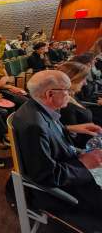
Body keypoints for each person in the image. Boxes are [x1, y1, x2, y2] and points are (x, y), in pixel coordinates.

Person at [12, 70, 102, 232]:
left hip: (67, 164)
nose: (71, 94)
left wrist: (69, 129)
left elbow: (48, 134)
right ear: (50, 94)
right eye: (67, 90)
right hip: (58, 191)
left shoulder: (36, 107)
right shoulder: (34, 126)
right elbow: (46, 175)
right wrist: (84, 164)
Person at [58, 62, 100, 148]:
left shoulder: (72, 96)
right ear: (72, 80)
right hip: (89, 146)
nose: (85, 83)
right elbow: (73, 141)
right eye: (83, 79)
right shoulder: (66, 106)